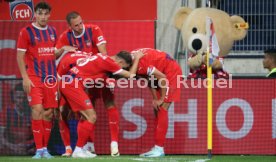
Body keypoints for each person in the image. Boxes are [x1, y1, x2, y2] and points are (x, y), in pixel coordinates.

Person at [55, 11, 120, 157]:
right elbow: (53, 55)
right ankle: (86, 146)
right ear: (70, 26)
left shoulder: (94, 29)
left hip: (99, 71)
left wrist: (106, 75)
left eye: (80, 22)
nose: (80, 26)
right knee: (83, 110)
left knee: (109, 102)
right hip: (81, 77)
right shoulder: (66, 36)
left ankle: (114, 144)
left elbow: (103, 53)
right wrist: (63, 48)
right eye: (76, 25)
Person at [58, 51, 143, 158]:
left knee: (85, 117)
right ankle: (78, 150)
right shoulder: (110, 62)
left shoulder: (100, 56)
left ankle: (81, 149)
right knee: (91, 116)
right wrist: (138, 58)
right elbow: (131, 76)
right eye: (123, 67)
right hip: (72, 84)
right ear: (120, 61)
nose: (121, 69)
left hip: (69, 82)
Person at [16, 1, 58, 159]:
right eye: (40, 13)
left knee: (48, 113)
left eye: (46, 13)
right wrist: (25, 77)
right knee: (37, 109)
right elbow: (20, 56)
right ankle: (38, 149)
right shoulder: (26, 31)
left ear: (49, 15)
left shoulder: (53, 31)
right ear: (35, 14)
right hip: (34, 78)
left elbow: (51, 55)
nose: (43, 16)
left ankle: (45, 150)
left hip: (51, 79)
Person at [129, 48, 183, 157]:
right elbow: (151, 80)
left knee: (162, 108)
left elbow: (163, 78)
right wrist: (154, 98)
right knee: (157, 109)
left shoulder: (140, 65)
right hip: (161, 74)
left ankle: (159, 149)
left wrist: (162, 98)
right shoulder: (134, 62)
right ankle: (157, 147)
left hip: (171, 73)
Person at [0, 83, 34, 155]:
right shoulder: (6, 112)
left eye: (23, 98)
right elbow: (1, 137)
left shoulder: (32, 112)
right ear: (14, 98)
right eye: (18, 98)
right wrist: (13, 147)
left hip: (28, 147)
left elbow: (38, 135)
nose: (21, 101)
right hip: (10, 146)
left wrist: (27, 146)